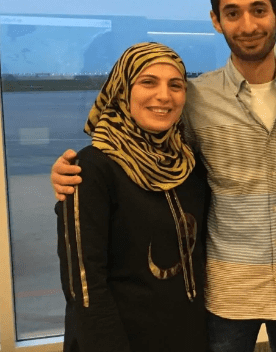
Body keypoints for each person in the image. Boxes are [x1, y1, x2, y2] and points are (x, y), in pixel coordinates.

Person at [52, 0, 276, 352]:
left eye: (258, 10)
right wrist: (71, 173)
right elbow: (143, 148)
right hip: (226, 293)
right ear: (217, 21)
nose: (248, 25)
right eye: (232, 13)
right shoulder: (197, 99)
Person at [56, 42, 209, 352]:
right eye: (148, 82)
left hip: (188, 338)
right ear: (122, 90)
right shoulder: (93, 168)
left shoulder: (189, 165)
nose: (164, 96)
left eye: (175, 85)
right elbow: (85, 287)